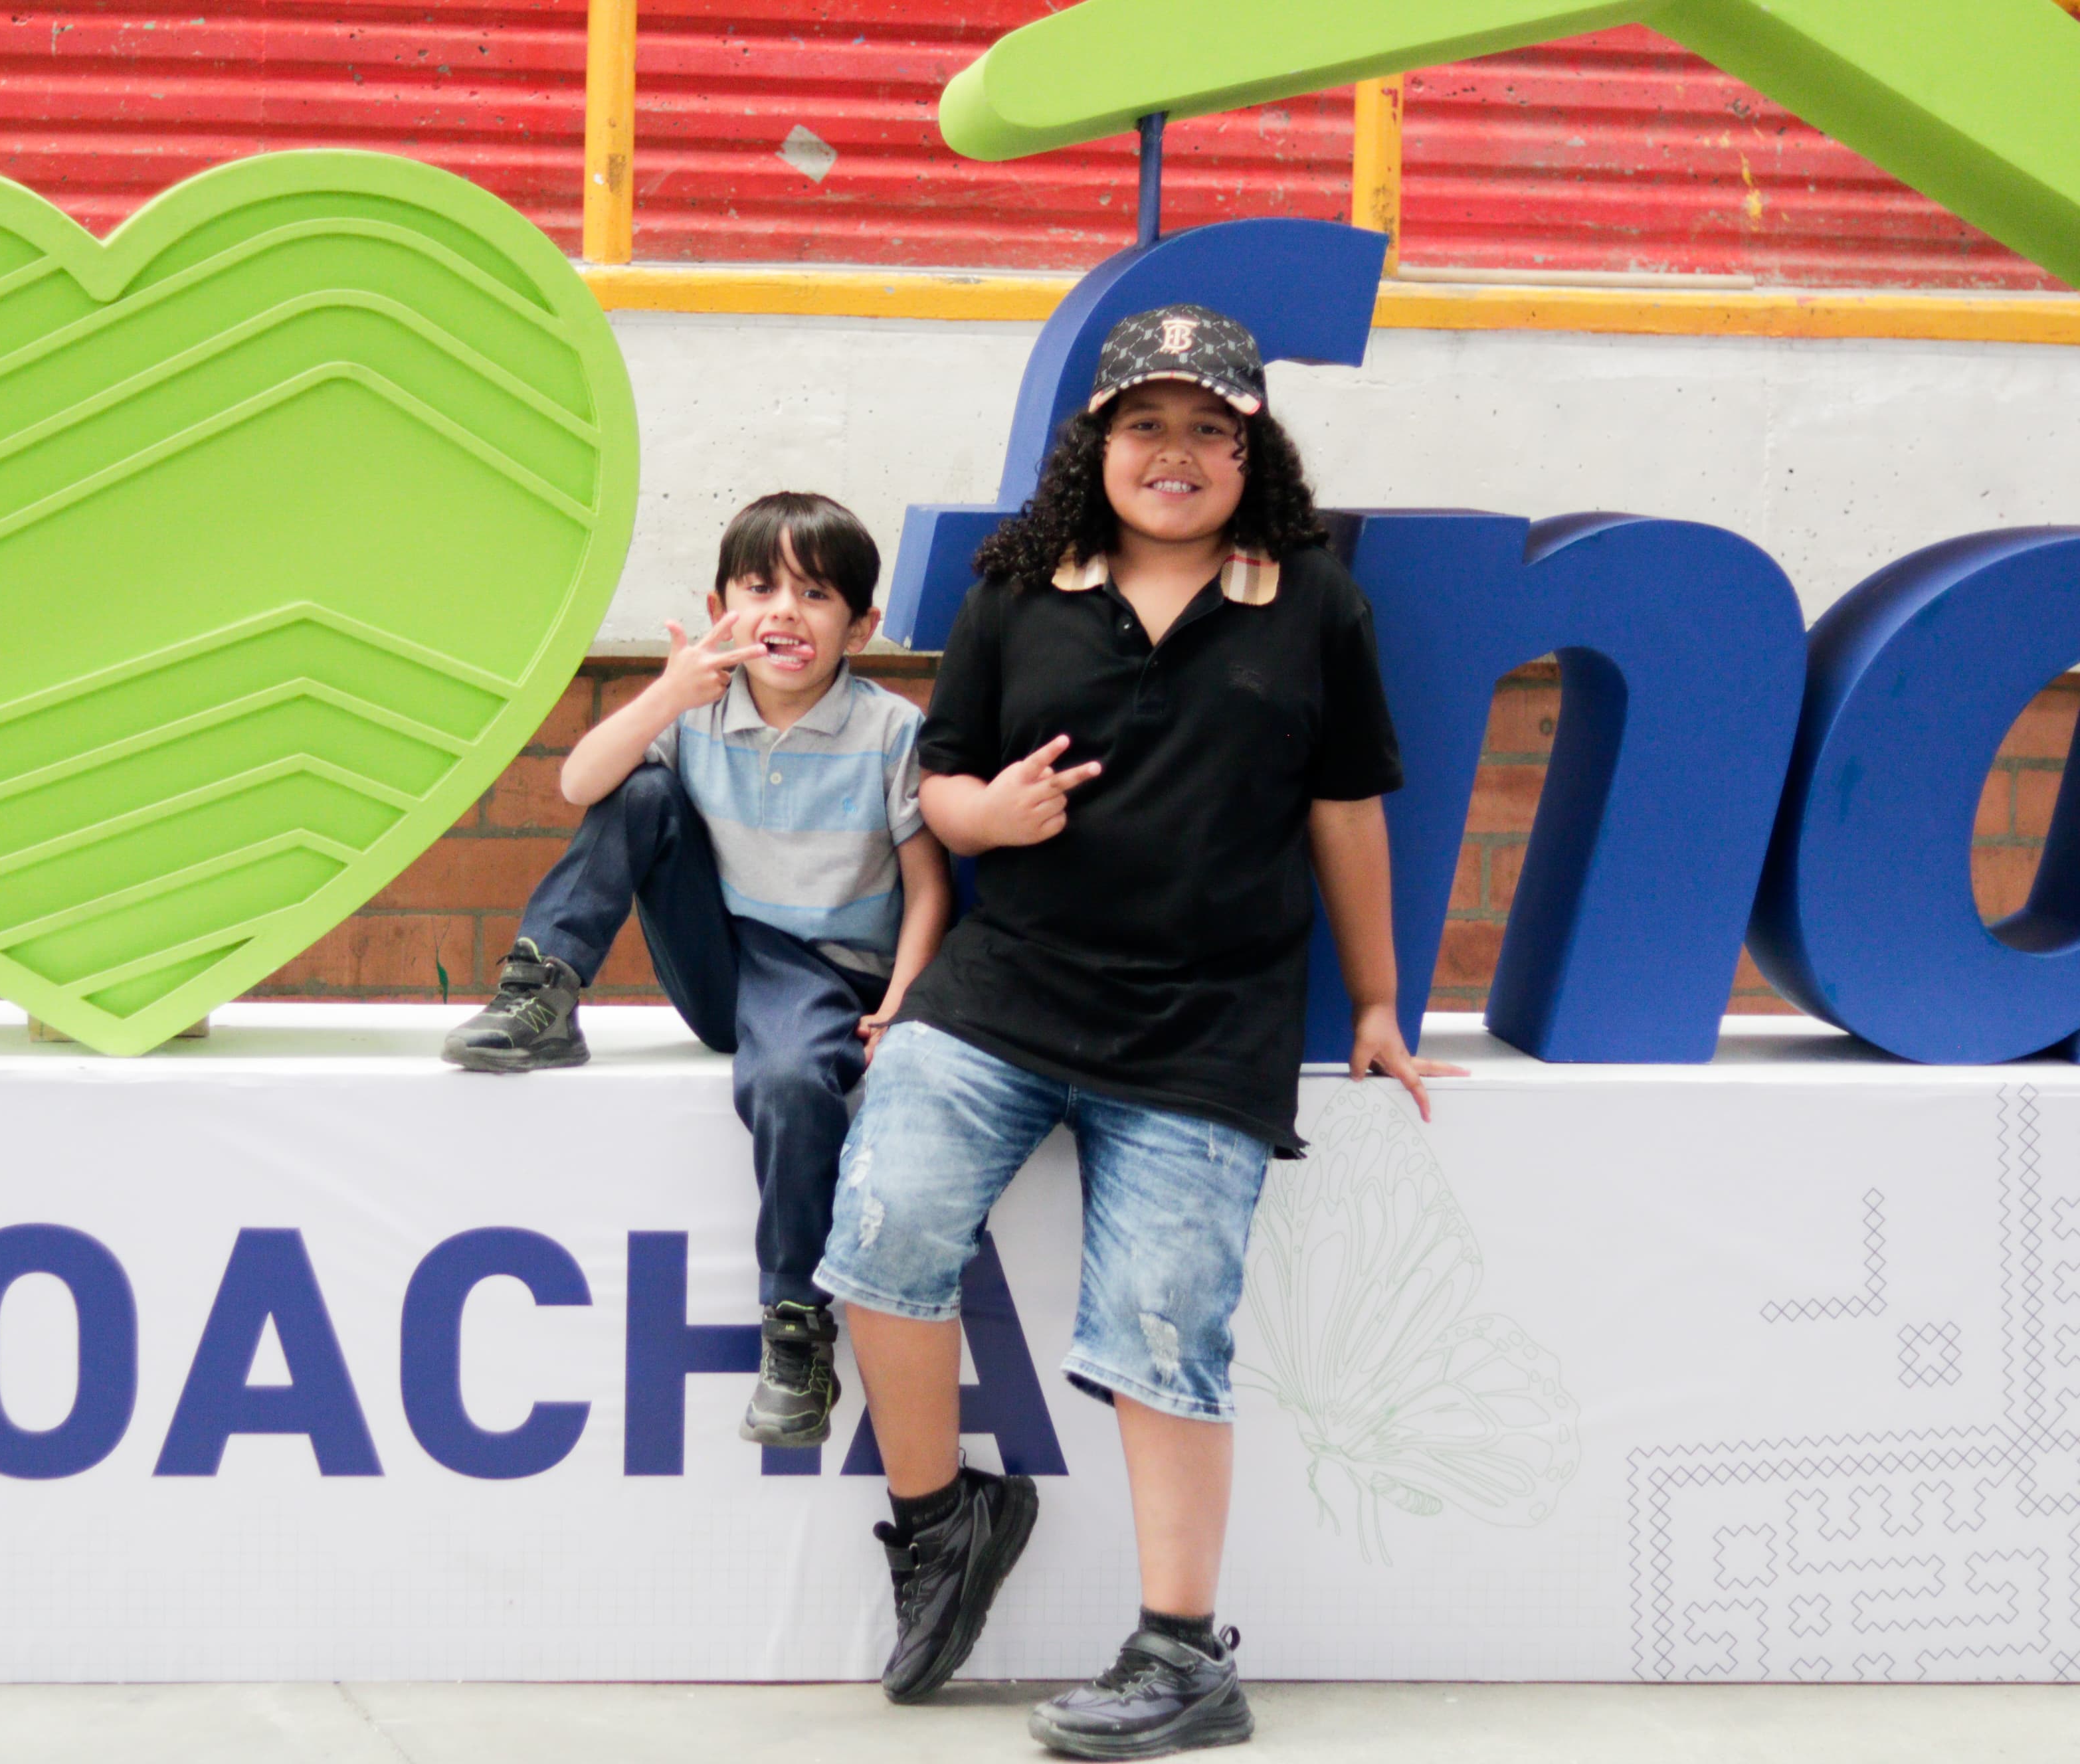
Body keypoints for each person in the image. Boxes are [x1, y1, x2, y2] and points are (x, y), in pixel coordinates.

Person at [810, 306, 1465, 1753]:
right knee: (885, 1222)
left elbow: (1346, 806)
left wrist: (1374, 999)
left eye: (1210, 431)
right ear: (1099, 443)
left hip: (1204, 1018)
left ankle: (1182, 1651)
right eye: (1148, 426)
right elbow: (941, 782)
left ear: (1252, 451)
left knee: (1165, 1321)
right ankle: (943, 1520)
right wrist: (992, 813)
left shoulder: (1311, 605)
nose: (1177, 455)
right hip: (1010, 986)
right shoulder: (1014, 588)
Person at [442, 491, 952, 1449]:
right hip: (721, 959)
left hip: (820, 975)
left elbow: (929, 888)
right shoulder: (699, 710)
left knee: (795, 1082)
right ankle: (543, 991)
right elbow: (579, 785)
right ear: (720, 601)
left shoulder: (890, 733)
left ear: (863, 624)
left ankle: (795, 1326)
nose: (783, 613)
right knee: (640, 788)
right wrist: (666, 695)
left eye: (814, 593)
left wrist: (902, 1005)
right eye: (759, 588)